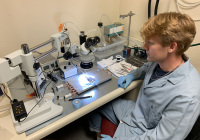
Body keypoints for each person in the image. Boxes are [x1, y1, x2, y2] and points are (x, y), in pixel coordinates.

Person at [88, 12, 200, 140]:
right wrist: (132, 75)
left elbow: (162, 137)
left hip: (144, 131)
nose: (143, 46)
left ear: (171, 46)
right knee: (95, 105)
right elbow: (147, 67)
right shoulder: (161, 61)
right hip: (135, 111)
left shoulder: (187, 95)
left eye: (150, 43)